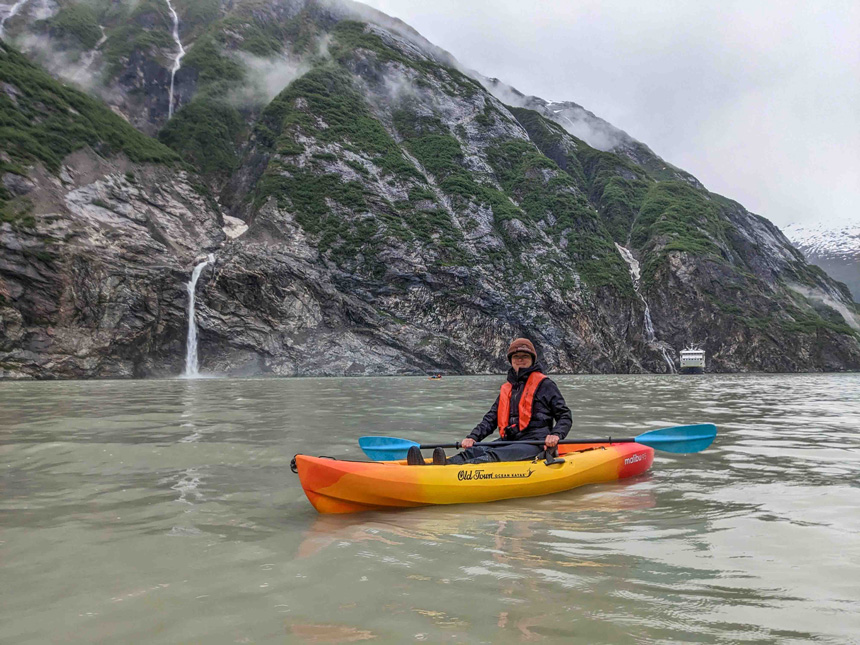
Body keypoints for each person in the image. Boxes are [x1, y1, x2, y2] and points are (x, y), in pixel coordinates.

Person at [407, 338, 572, 465]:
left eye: (524, 356)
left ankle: (450, 472)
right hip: (510, 440)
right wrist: (473, 437)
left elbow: (564, 415)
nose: (520, 360)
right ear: (511, 360)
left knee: (494, 455)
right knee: (474, 451)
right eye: (516, 356)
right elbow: (491, 418)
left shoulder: (545, 384)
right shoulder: (508, 388)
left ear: (532, 359)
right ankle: (437, 466)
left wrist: (556, 435)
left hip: (535, 442)